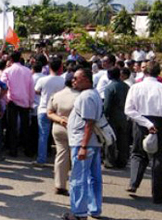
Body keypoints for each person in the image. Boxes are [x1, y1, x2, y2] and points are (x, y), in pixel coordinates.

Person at [62, 68, 103, 220]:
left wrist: (83, 147)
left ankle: (78, 213)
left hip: (83, 143)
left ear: (86, 79)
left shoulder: (86, 96)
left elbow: (89, 123)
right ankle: (94, 208)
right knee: (93, 177)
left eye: (76, 78)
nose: (73, 81)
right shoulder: (93, 94)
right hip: (91, 143)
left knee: (78, 178)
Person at [125, 61, 162, 204]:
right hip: (159, 123)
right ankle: (158, 194)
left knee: (137, 153)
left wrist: (146, 123)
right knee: (158, 158)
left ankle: (133, 183)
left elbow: (129, 110)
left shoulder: (136, 88)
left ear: (145, 72)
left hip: (140, 122)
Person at [47, 71, 80, 196]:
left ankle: (59, 185)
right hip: (76, 129)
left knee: (61, 156)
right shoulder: (80, 96)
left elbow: (49, 112)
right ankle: (76, 185)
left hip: (59, 127)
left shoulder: (57, 95)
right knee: (75, 157)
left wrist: (60, 119)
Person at [0, 51, 35, 157]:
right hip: (25, 101)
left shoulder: (7, 71)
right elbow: (31, 88)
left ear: (10, 59)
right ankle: (27, 150)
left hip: (12, 101)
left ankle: (13, 150)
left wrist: (5, 98)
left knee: (12, 127)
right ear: (20, 58)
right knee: (25, 127)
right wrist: (30, 101)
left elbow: (3, 86)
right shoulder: (28, 71)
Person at [34, 58, 65, 166]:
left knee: (43, 135)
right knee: (60, 136)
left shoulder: (42, 80)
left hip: (43, 109)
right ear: (60, 67)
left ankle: (41, 159)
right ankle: (61, 159)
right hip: (59, 111)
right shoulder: (63, 80)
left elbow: (37, 91)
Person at [103, 68, 130, 169]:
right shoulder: (126, 86)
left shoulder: (110, 87)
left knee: (110, 139)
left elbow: (107, 104)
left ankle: (110, 161)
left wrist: (104, 115)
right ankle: (122, 161)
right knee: (123, 140)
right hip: (124, 116)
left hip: (112, 117)